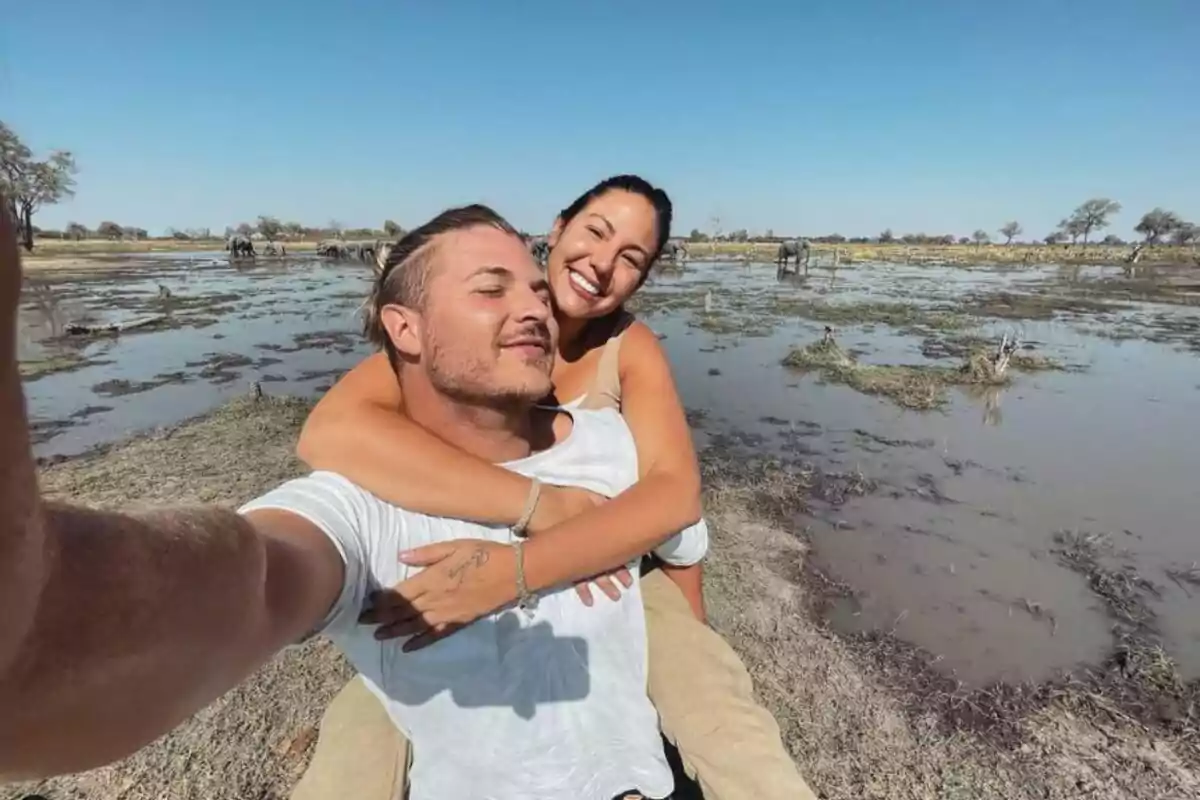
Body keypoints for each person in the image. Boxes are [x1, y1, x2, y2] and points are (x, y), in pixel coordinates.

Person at [0, 203, 709, 799]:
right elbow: (252, 579)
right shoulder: (361, 503)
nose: (534, 309)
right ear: (404, 330)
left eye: (532, 290)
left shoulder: (616, 445)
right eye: (492, 290)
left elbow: (681, 529)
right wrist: (35, 604)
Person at [294, 176, 816, 800]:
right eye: (596, 232)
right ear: (558, 228)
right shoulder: (454, 337)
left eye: (631, 259)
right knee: (354, 746)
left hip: (614, 568)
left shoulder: (628, 348)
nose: (603, 263)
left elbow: (675, 495)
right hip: (467, 551)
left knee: (731, 730)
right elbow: (330, 433)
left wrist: (521, 569)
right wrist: (538, 507)